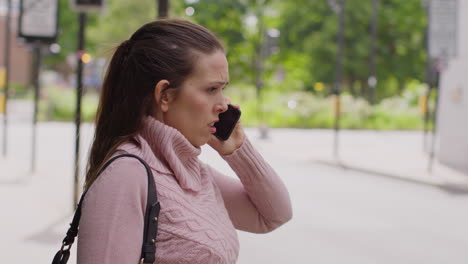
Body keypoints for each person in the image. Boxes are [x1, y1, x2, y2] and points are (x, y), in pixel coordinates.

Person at [77, 19, 292, 264]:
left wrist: (238, 151)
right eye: (212, 89)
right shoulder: (125, 176)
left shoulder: (192, 172)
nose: (224, 104)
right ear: (165, 95)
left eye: (223, 89)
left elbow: (274, 215)